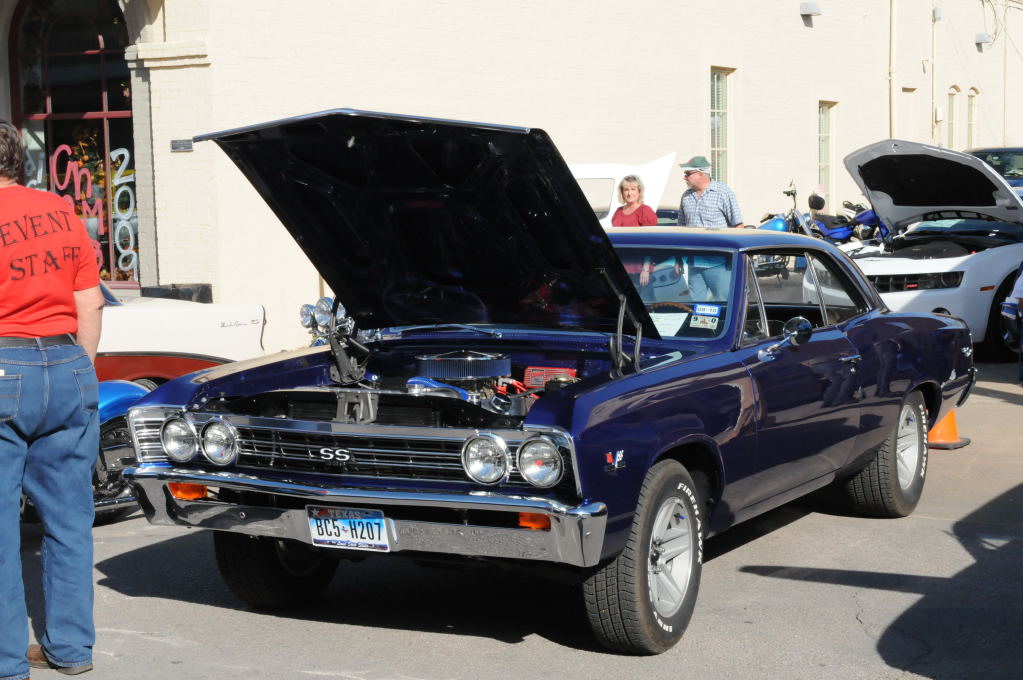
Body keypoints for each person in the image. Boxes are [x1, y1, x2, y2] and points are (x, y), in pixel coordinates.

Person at [0, 120, 104, 678]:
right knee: (68, 520)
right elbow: (91, 302)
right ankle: (70, 648)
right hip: (67, 363)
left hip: (4, 366)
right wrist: (79, 371)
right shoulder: (62, 212)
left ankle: (6, 660)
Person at [676, 156, 744, 229]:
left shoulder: (723, 193)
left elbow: (738, 226)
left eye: (688, 174)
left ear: (700, 173)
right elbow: (681, 227)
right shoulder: (686, 196)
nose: (684, 177)